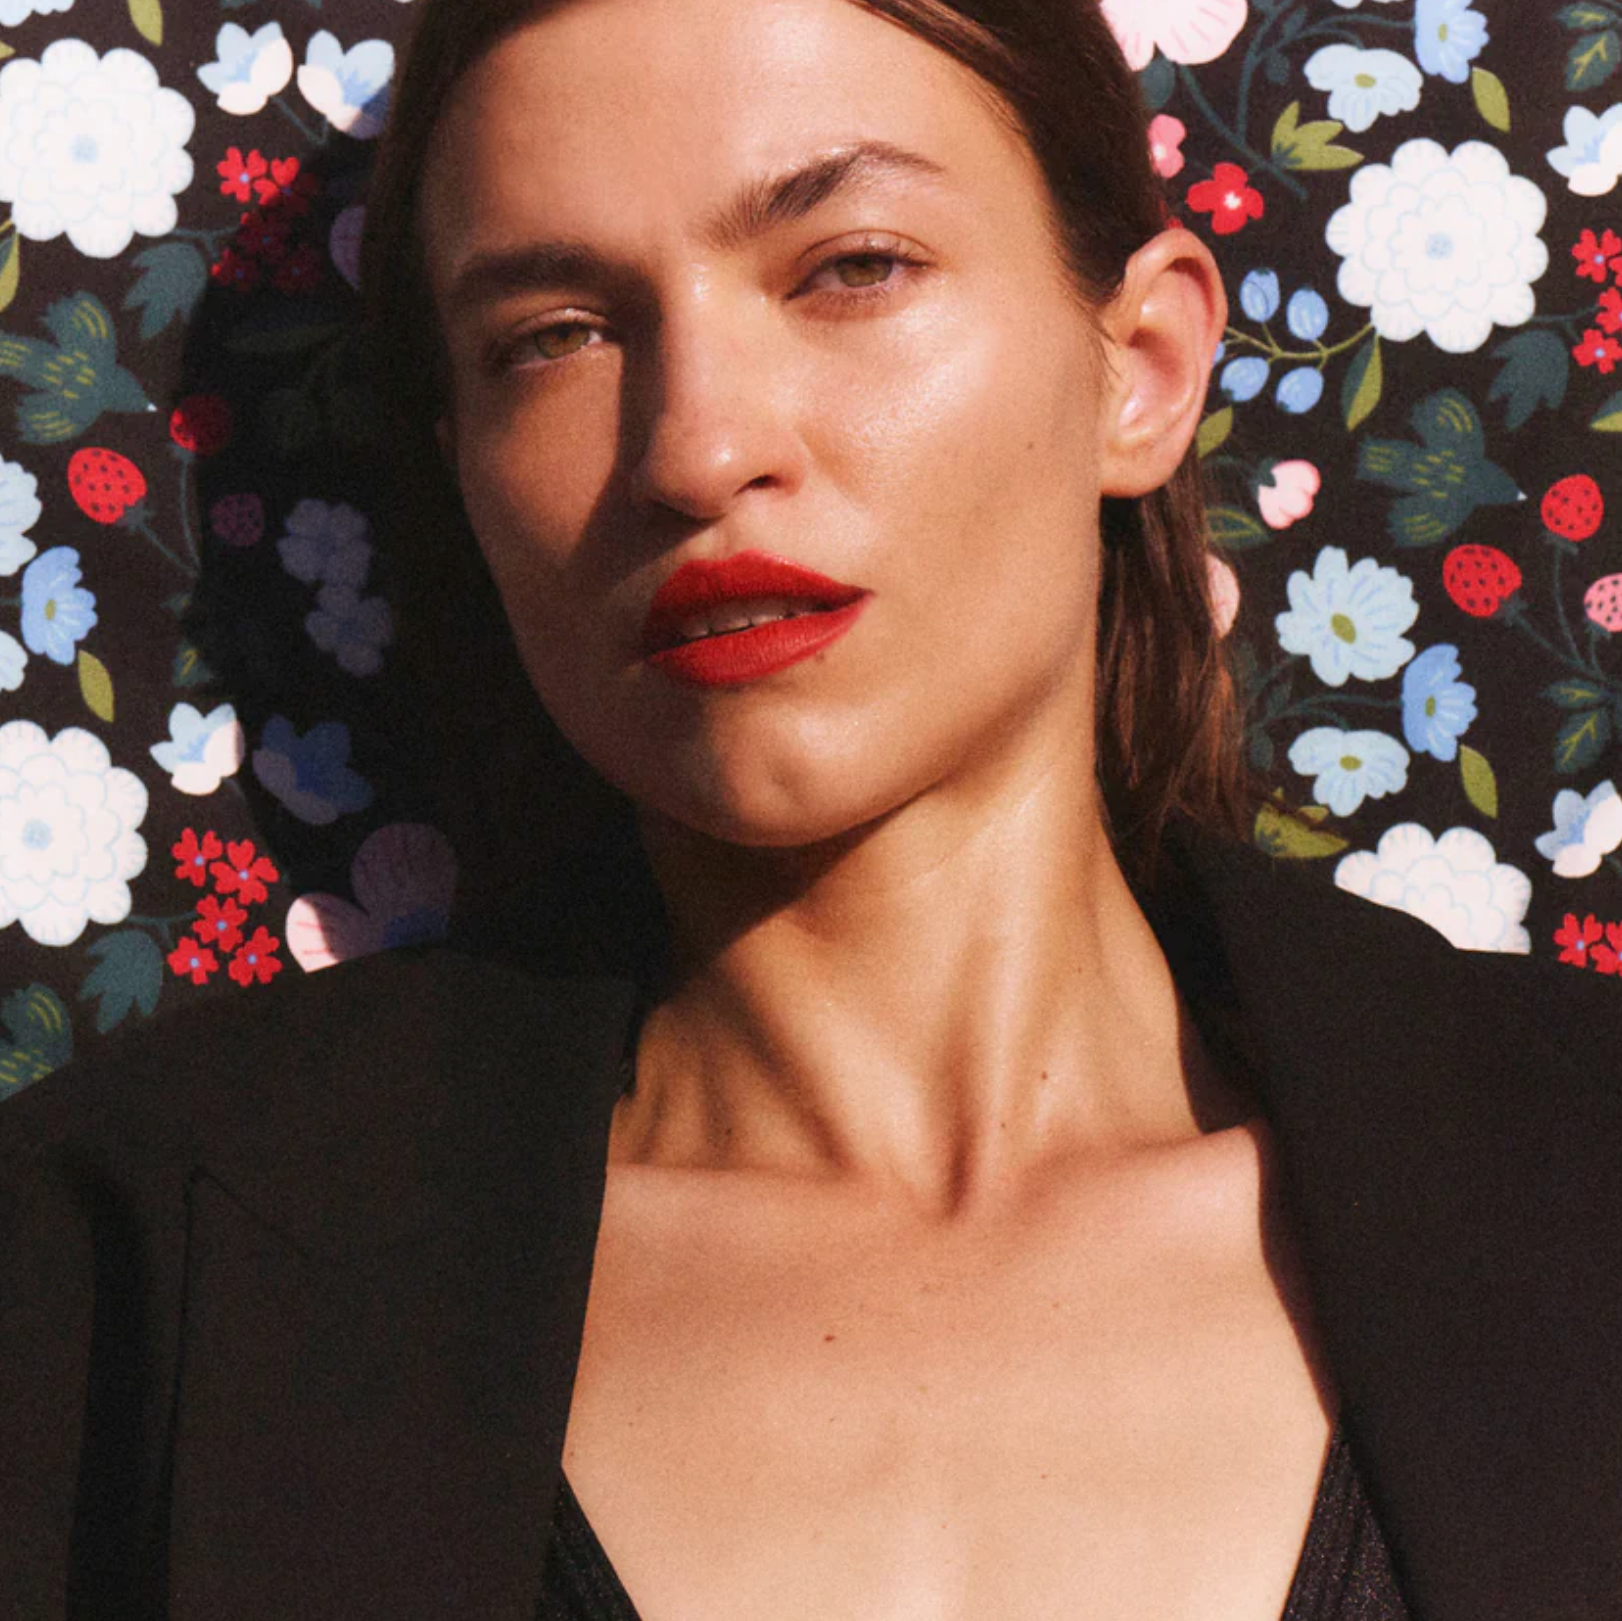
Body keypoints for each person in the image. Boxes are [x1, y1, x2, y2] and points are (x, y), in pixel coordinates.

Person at [1, 2, 1617, 1619]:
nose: (699, 447)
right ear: (461, 464)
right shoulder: (124, 1278)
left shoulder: (1570, 1170)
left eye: (851, 267)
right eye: (551, 334)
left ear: (1139, 367)